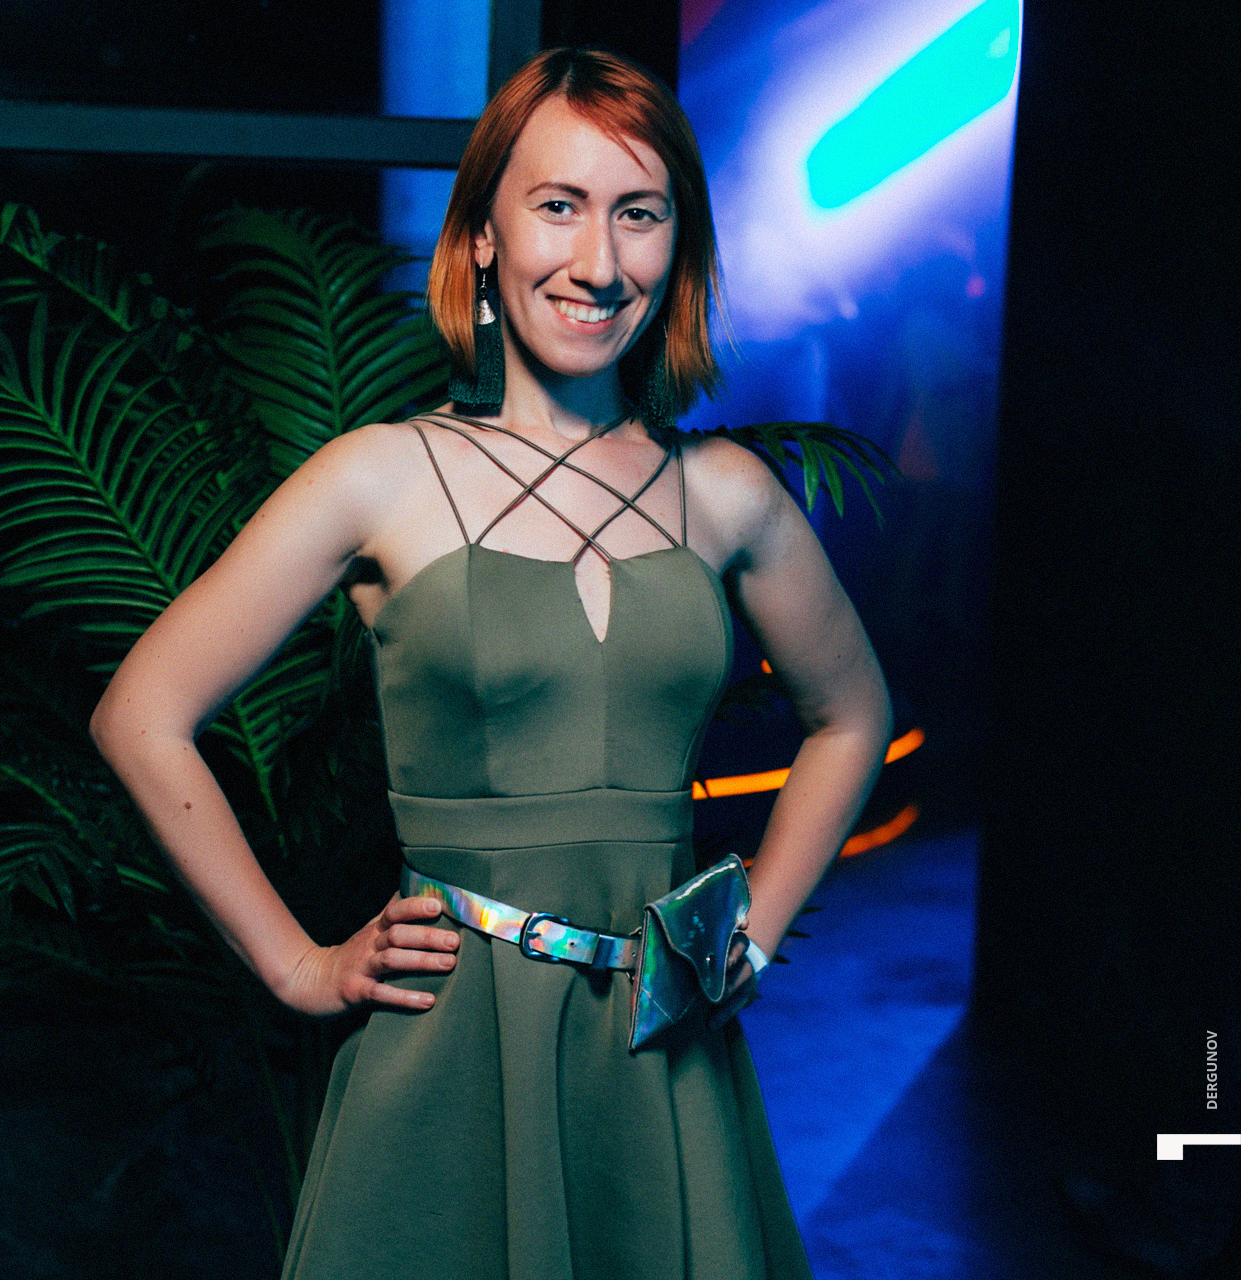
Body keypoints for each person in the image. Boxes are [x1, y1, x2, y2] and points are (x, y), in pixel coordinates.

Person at [90, 46, 891, 1279]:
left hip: (665, 1060)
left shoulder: (728, 493)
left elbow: (852, 713)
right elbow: (142, 712)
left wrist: (746, 934)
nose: (599, 261)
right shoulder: (378, 475)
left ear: (678, 245)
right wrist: (299, 963)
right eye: (558, 205)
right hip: (452, 1053)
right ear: (480, 235)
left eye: (639, 213)